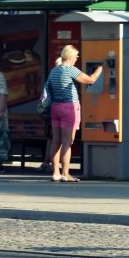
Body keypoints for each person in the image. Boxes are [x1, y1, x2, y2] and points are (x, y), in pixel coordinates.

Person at [46, 45, 102, 183]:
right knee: (67, 142)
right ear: (70, 56)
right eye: (76, 56)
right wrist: (101, 68)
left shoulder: (54, 70)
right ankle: (66, 174)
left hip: (55, 108)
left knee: (56, 141)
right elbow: (90, 80)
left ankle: (56, 173)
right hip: (69, 107)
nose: (77, 58)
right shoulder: (70, 69)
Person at [39, 56, 63, 172]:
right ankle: (56, 164)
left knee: (52, 139)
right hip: (58, 111)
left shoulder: (50, 78)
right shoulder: (61, 78)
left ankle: (46, 162)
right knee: (59, 139)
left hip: (50, 112)